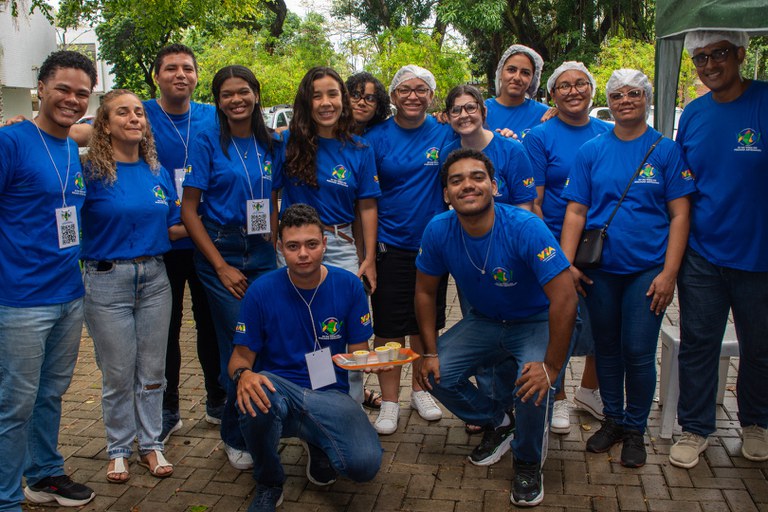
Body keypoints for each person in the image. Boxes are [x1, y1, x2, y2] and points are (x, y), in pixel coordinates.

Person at [414, 148, 577, 506]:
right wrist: (427, 351)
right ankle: (499, 420)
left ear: (494, 185)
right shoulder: (438, 229)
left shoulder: (525, 226)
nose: (467, 185)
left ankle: (528, 461)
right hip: (486, 322)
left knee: (532, 384)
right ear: (446, 194)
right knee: (431, 372)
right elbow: (425, 292)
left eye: (477, 177)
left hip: (536, 321)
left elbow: (565, 298)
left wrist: (550, 366)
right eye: (456, 180)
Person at [560, 69, 694, 468]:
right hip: (600, 270)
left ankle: (636, 429)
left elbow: (680, 214)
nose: (626, 100)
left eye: (634, 93)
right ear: (610, 102)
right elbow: (576, 211)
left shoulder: (665, 150)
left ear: (647, 98)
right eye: (617, 95)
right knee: (607, 348)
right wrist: (566, 265)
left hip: (647, 271)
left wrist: (669, 273)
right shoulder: (591, 151)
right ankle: (613, 420)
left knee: (637, 350)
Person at [230, 204, 383, 512]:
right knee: (257, 387)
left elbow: (358, 351)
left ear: (324, 244)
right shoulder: (261, 291)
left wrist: (378, 362)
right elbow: (239, 359)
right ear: (280, 248)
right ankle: (269, 482)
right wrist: (243, 376)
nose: (303, 253)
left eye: (312, 244)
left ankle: (318, 442)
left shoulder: (349, 285)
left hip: (331, 395)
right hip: (278, 395)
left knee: (364, 466)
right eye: (293, 246)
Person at [0, 50, 97, 512]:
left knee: (50, 395)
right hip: (19, 299)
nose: (72, 99)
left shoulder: (69, 148)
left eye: (82, 93)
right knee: (14, 405)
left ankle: (43, 475)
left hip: (67, 293)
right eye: (63, 89)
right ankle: (5, 499)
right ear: (41, 87)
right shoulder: (11, 142)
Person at [669, 30, 768, 468]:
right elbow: (681, 187)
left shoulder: (764, 101)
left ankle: (756, 424)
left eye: (719, 54)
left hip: (760, 256)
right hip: (703, 254)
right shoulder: (692, 114)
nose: (709, 65)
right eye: (700, 58)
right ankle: (695, 428)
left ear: (741, 55)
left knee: (760, 347)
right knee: (698, 344)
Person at [81, 89, 186, 482]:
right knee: (118, 372)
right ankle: (119, 448)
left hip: (156, 278)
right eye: (122, 113)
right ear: (104, 125)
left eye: (139, 113)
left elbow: (174, 225)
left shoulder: (155, 170)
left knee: (153, 369)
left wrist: (210, 220)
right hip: (107, 281)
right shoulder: (89, 172)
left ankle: (152, 444)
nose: (134, 119)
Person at [181, 65, 281, 471]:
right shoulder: (206, 142)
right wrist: (220, 266)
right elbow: (188, 211)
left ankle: (261, 425)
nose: (236, 100)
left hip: (260, 253)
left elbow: (272, 200)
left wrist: (276, 248)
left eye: (243, 92)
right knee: (239, 344)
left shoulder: (273, 143)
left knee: (268, 341)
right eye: (226, 94)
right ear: (218, 101)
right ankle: (234, 435)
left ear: (256, 94)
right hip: (220, 251)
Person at [276, 66, 380, 405]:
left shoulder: (360, 149)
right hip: (297, 250)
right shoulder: (286, 144)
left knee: (350, 331)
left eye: (332, 94)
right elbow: (267, 194)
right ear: (306, 101)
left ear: (343, 100)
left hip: (341, 249)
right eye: (317, 95)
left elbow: (366, 207)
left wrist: (368, 260)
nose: (325, 102)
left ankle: (348, 406)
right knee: (305, 329)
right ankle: (313, 406)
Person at [364, 65, 458, 434]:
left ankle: (421, 390)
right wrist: (368, 253)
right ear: (394, 96)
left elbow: (481, 129)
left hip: (433, 246)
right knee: (388, 326)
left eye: (421, 89)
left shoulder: (446, 134)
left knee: (427, 323)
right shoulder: (376, 137)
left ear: (432, 96)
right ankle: (389, 402)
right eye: (405, 89)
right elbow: (366, 198)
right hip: (389, 244)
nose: (413, 96)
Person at [523, 61, 613, 434]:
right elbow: (534, 202)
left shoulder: (610, 132)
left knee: (601, 322)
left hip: (600, 247)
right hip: (552, 245)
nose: (573, 91)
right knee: (555, 322)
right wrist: (560, 260)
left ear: (592, 90)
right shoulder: (540, 137)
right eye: (564, 86)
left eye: (580, 84)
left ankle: (589, 391)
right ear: (552, 94)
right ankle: (556, 394)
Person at [143, 44, 224, 443]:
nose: (180, 75)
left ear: (196, 76)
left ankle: (218, 401)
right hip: (163, 245)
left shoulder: (212, 115)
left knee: (212, 325)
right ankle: (168, 408)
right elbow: (98, 128)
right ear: (157, 75)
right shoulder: (143, 114)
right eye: (171, 68)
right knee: (165, 330)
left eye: (188, 69)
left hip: (208, 242)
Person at [345, 71, 391, 410]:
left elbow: (367, 205)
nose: (362, 101)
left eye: (370, 97)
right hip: (322, 235)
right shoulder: (322, 133)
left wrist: (366, 255)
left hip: (357, 236)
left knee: (354, 323)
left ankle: (355, 392)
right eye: (356, 94)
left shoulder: (374, 139)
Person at [485, 45, 549, 138]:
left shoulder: (544, 115)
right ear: (500, 73)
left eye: (525, 73)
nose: (517, 77)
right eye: (511, 70)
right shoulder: (481, 111)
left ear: (532, 80)